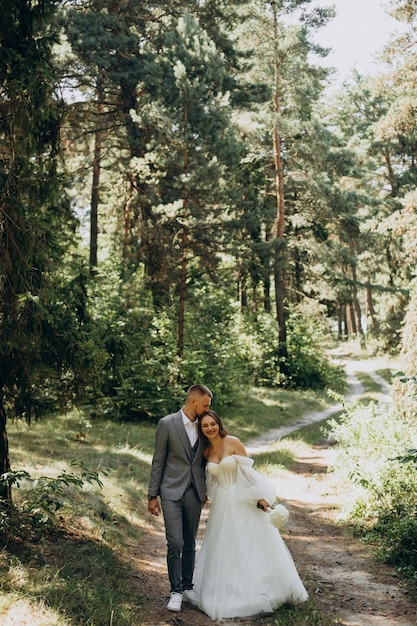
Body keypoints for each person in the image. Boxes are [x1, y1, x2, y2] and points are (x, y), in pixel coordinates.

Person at [187, 409, 308, 621]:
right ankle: (225, 591)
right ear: (201, 429)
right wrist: (204, 496)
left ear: (218, 423)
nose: (210, 428)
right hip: (222, 503)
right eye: (205, 426)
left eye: (212, 424)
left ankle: (263, 590)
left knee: (250, 543)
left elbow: (248, 475)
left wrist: (260, 498)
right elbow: (210, 480)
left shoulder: (233, 442)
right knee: (224, 546)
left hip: (241, 499)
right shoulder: (205, 452)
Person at [147, 384, 213, 612]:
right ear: (193, 401)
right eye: (206, 405)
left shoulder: (205, 426)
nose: (208, 409)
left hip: (195, 492)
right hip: (170, 492)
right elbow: (158, 460)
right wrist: (152, 494)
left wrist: (209, 489)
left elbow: (210, 458)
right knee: (175, 542)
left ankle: (187, 586)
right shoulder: (167, 424)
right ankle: (175, 591)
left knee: (189, 542)